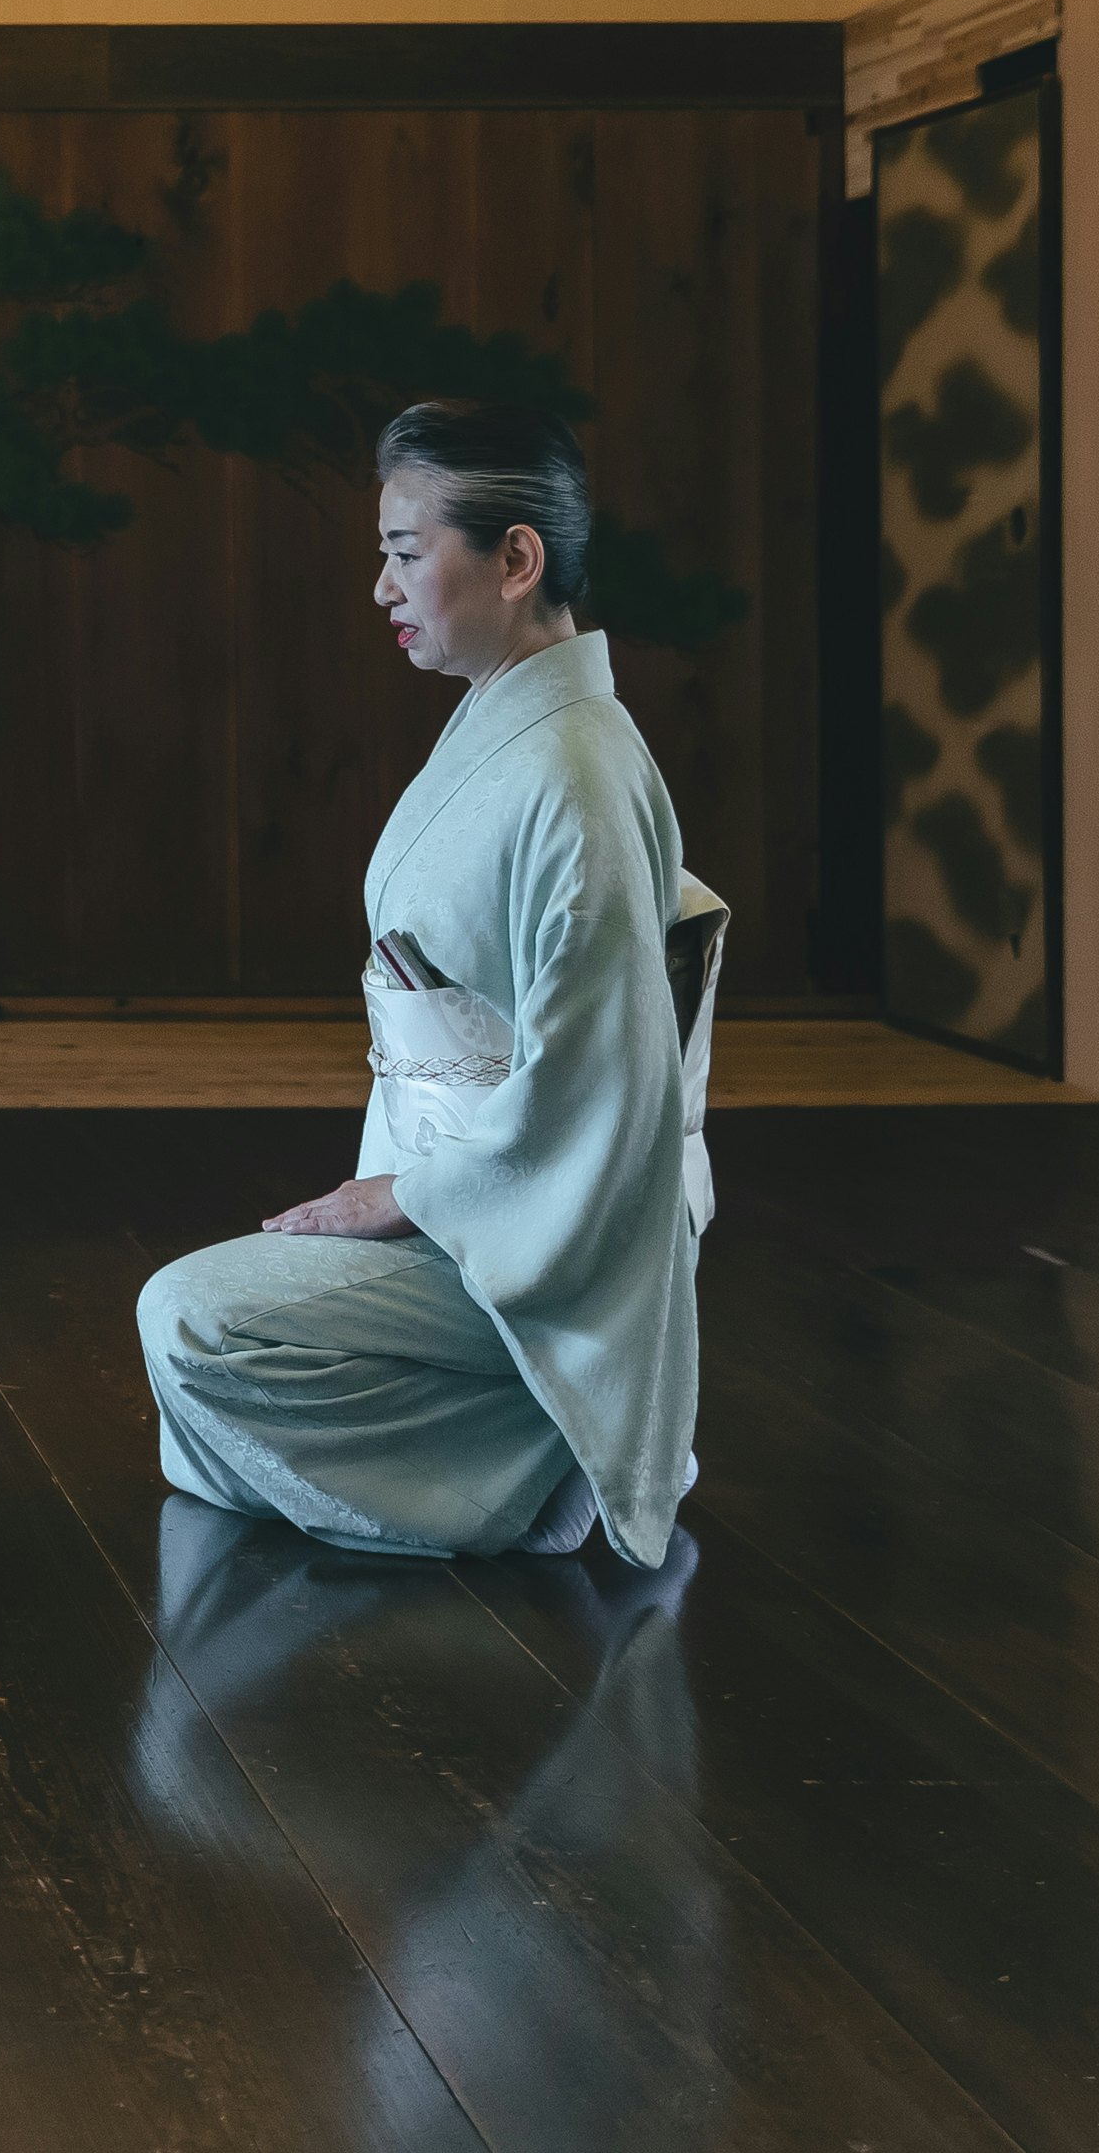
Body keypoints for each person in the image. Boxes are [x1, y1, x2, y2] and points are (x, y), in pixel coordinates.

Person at [137, 399, 724, 1567]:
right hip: (470, 1194)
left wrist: (407, 1198)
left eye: (407, 554)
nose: (382, 590)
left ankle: (562, 1452)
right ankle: (537, 1433)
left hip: (540, 1223)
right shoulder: (511, 732)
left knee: (188, 1323)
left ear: (517, 559)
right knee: (191, 1386)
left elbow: (595, 1090)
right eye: (383, 556)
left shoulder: (574, 771)